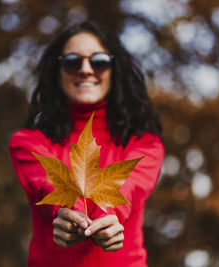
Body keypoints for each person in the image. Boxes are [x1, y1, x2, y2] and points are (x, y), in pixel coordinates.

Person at [9, 21, 165, 267]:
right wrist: (67, 213)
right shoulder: (28, 142)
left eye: (99, 61)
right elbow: (45, 182)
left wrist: (108, 215)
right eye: (72, 61)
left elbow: (130, 184)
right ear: (57, 71)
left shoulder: (144, 142)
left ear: (114, 70)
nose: (85, 69)